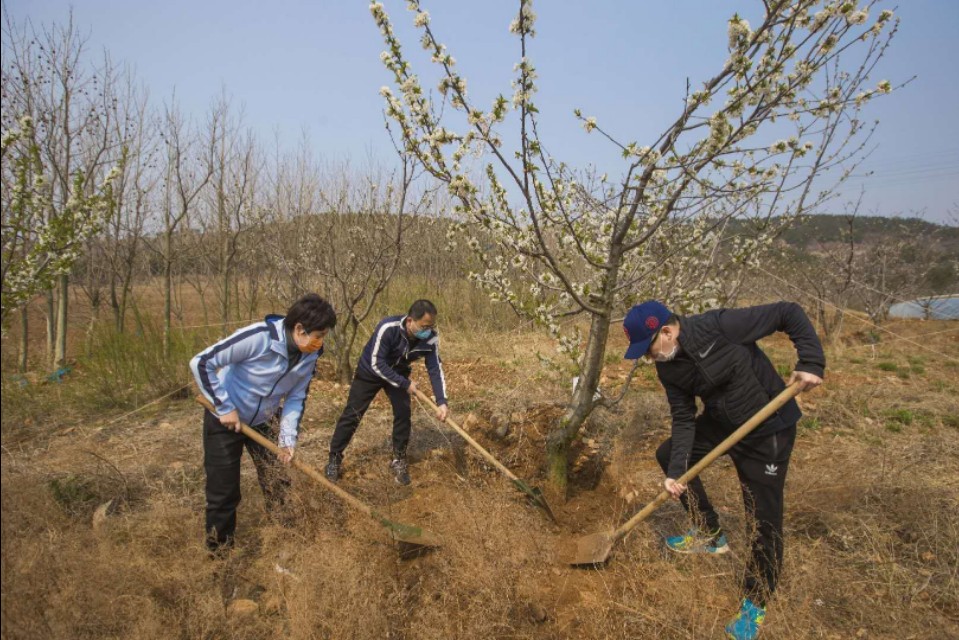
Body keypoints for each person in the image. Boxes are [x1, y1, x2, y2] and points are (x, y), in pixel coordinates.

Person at [623, 300, 825, 640]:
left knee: (762, 519)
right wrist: (676, 472)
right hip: (722, 423)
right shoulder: (668, 368)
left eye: (649, 349)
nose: (648, 358)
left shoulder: (720, 326)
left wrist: (811, 361)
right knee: (670, 453)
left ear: (668, 332)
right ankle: (710, 534)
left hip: (767, 429)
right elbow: (684, 418)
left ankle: (755, 602)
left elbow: (788, 312)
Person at [190, 293, 336, 553]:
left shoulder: (310, 354)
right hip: (225, 421)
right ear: (300, 329)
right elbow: (202, 362)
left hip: (266, 420)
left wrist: (287, 438)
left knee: (277, 483)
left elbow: (296, 395)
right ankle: (221, 557)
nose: (321, 342)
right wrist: (225, 406)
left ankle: (284, 542)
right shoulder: (259, 337)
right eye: (319, 335)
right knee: (224, 494)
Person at [325, 299, 449, 486]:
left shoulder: (430, 337)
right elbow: (377, 363)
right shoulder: (388, 328)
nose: (428, 330)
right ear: (410, 321)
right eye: (424, 326)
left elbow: (434, 368)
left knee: (403, 413)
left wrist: (441, 401)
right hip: (370, 372)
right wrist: (405, 383)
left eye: (431, 326)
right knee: (353, 413)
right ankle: (334, 458)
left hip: (398, 373)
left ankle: (399, 459)